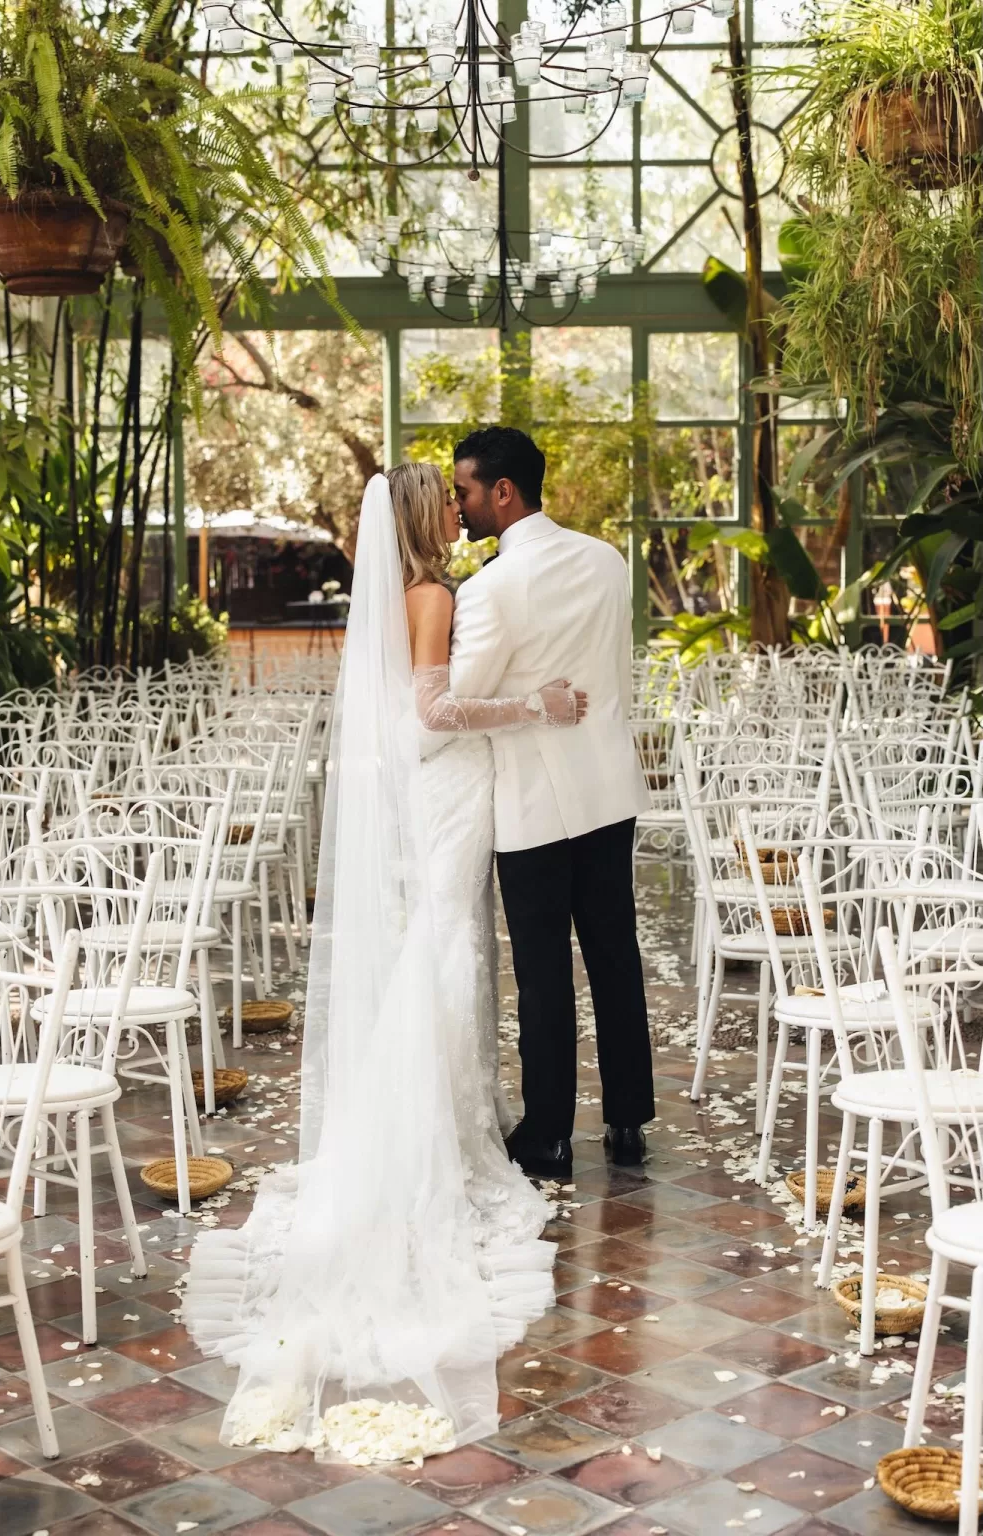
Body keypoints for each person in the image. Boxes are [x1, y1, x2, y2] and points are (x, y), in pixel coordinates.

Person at [184, 465, 586, 1463]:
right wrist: (535, 704)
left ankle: (444, 1113)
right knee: (445, 947)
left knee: (442, 945)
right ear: (420, 519)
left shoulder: (416, 593)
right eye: (445, 502)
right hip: (449, 786)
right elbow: (433, 713)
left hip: (438, 797)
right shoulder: (434, 595)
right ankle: (435, 1129)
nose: (458, 509)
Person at [450, 425, 654, 1183]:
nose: (459, 505)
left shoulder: (491, 589)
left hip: (535, 803)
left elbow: (460, 698)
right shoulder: (606, 561)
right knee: (614, 956)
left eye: (465, 490)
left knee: (542, 974)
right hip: (609, 786)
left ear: (503, 491)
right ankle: (628, 1120)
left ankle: (550, 1136)